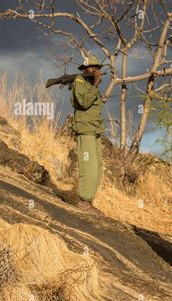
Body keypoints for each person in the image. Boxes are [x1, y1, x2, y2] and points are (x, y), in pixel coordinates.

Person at [70, 56, 104, 212]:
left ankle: (89, 200)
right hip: (86, 130)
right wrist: (96, 85)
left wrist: (95, 86)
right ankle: (84, 201)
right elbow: (83, 103)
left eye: (97, 67)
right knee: (88, 166)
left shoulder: (89, 85)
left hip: (94, 130)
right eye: (93, 67)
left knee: (98, 167)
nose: (96, 70)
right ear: (85, 69)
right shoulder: (79, 82)